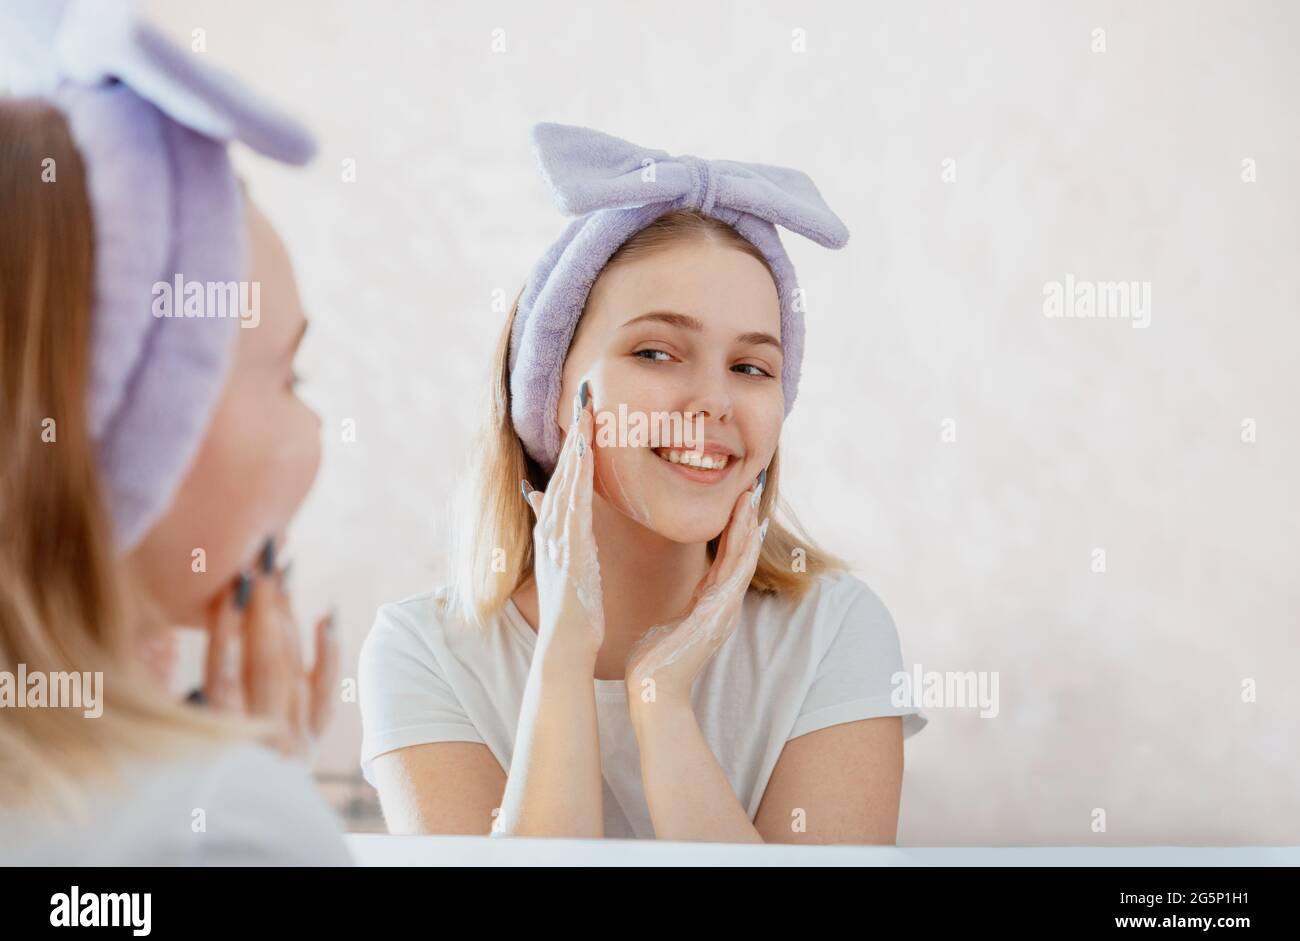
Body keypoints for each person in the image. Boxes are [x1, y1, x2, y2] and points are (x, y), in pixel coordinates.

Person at [360, 123, 928, 842]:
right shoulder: (423, 651)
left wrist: (662, 702)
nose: (714, 402)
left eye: (751, 367)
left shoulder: (833, 630)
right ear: (550, 387)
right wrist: (563, 656)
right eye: (656, 353)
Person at [0, 0, 349, 864]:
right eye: (289, 377)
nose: (314, 423)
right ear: (139, 434)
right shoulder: (228, 823)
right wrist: (248, 787)